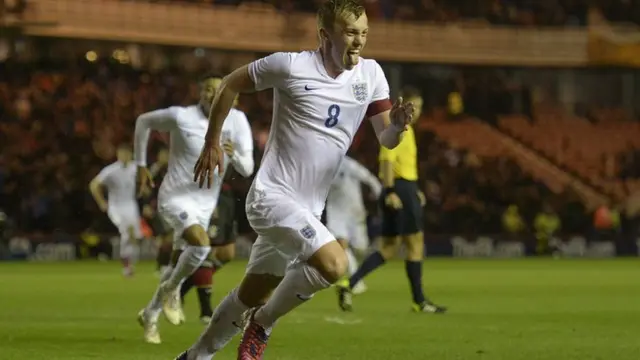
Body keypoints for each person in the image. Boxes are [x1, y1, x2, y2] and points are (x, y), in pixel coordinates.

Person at [175, 1, 414, 359]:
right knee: (335, 264)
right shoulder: (290, 65)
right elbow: (229, 84)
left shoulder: (371, 74)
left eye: (363, 33)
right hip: (272, 197)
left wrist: (396, 125)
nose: (358, 41)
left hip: (308, 209)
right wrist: (212, 141)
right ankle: (264, 324)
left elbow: (387, 139)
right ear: (324, 35)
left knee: (250, 294)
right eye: (349, 32)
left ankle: (195, 356)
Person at [134, 75, 254, 344]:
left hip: (205, 204)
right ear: (200, 94)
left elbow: (247, 169)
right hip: (175, 197)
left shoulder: (237, 121)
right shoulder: (181, 117)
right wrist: (141, 165)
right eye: (208, 90)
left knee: (181, 259)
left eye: (220, 90)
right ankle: (172, 288)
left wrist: (234, 153)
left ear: (232, 98)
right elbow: (144, 121)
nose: (213, 94)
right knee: (201, 245)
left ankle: (151, 314)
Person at [336, 86, 447, 314]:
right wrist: (391, 191)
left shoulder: (406, 130)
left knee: (389, 248)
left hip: (405, 188)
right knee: (415, 245)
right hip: (399, 189)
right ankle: (419, 301)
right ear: (404, 104)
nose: (416, 112)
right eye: (414, 106)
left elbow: (401, 163)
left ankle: (349, 283)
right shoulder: (399, 130)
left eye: (419, 108)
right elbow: (386, 160)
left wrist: (414, 188)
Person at [180, 180, 239, 324]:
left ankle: (180, 288)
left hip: (225, 192)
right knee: (206, 249)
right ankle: (206, 312)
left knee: (227, 253)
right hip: (204, 191)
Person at [327, 155, 381, 294]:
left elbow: (368, 177)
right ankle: (356, 281)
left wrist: (379, 193)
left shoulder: (348, 164)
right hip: (336, 211)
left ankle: (357, 273)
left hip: (354, 210)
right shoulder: (318, 167)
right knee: (340, 244)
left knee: (361, 248)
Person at [89, 144, 141, 277]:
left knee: (134, 236)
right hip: (116, 207)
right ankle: (127, 265)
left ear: (130, 155)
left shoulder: (136, 168)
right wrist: (101, 202)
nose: (124, 156)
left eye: (126, 154)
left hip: (131, 205)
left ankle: (129, 262)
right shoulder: (111, 170)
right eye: (121, 153)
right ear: (118, 155)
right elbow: (94, 185)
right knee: (127, 230)